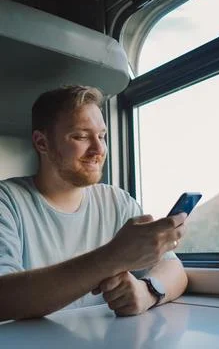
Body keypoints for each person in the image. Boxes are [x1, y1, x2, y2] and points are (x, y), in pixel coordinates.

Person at [0, 85, 188, 321]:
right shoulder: (6, 202)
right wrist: (114, 256)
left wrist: (147, 291)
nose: (99, 149)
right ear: (42, 143)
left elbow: (174, 270)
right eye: (81, 136)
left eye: (101, 136)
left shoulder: (116, 201)